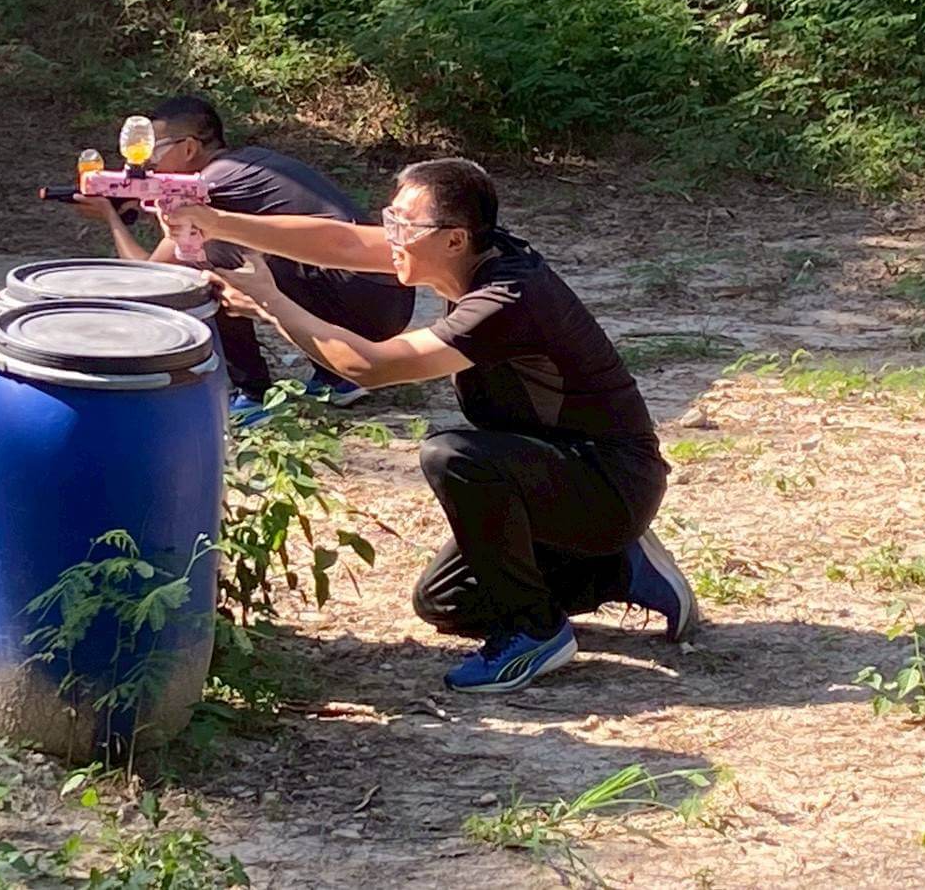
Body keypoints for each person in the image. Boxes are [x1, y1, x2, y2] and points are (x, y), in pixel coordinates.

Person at [168, 157, 697, 693]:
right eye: (389, 219)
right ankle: (619, 568)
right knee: (446, 603)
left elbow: (368, 367)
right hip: (554, 466)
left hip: (608, 477)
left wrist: (272, 302)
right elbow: (343, 245)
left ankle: (536, 634)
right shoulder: (460, 256)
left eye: (405, 227)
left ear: (454, 238)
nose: (390, 236)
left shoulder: (506, 299)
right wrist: (216, 221)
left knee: (453, 456)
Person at [69, 96, 415, 422]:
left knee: (207, 259)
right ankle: (335, 374)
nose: (146, 164)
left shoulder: (213, 183)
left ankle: (253, 393)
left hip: (366, 304)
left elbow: (153, 276)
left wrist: (111, 219)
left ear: (189, 148)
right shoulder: (244, 165)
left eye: (152, 152)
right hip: (382, 299)